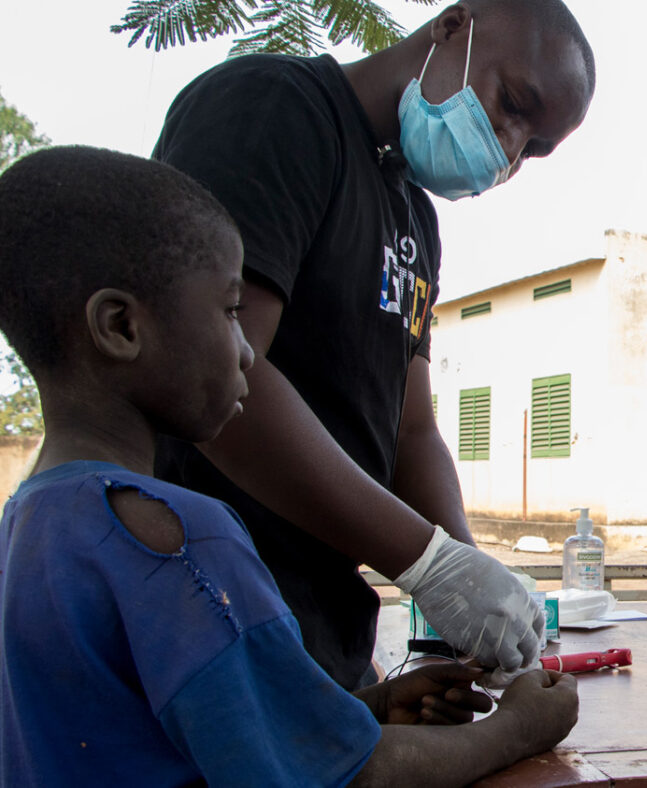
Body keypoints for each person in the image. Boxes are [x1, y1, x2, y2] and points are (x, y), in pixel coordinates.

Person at [0, 146, 579, 786]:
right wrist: (517, 729)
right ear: (120, 326)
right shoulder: (181, 541)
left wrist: (369, 708)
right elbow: (352, 779)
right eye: (228, 311)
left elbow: (162, 739)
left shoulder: (26, 525)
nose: (248, 351)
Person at [151, 0, 595, 689]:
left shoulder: (412, 213)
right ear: (452, 27)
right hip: (203, 616)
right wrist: (426, 562)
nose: (509, 148)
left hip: (316, 636)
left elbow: (412, 431)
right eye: (512, 104)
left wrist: (473, 586)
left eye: (532, 149)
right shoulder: (275, 113)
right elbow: (219, 383)